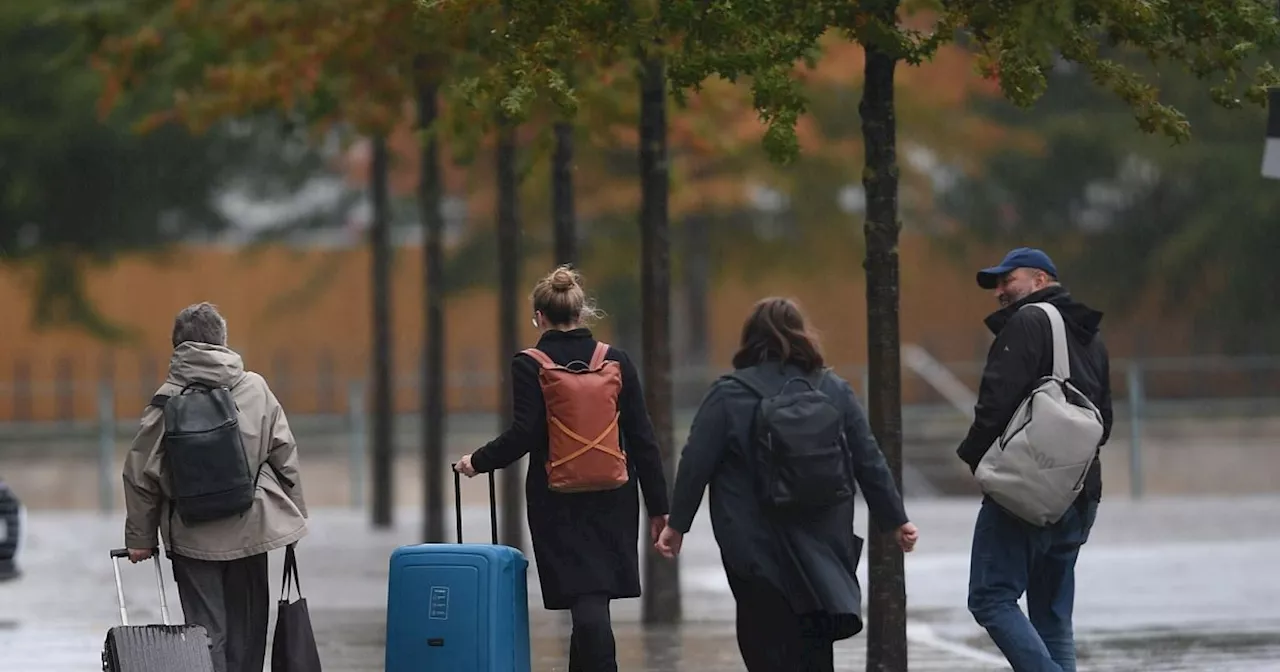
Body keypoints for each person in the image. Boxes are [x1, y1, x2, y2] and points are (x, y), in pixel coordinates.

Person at [655, 297, 919, 672]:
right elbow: (868, 459)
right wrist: (896, 520)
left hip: (754, 548)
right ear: (803, 335)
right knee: (814, 652)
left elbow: (696, 462)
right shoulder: (833, 389)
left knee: (764, 647)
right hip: (823, 547)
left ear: (750, 339)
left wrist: (677, 525)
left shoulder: (728, 394)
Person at [455, 266, 670, 672]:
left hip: (557, 496)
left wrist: (477, 461)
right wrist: (660, 508)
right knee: (593, 596)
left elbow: (525, 434)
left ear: (539, 316)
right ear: (581, 312)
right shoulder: (616, 360)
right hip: (615, 495)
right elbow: (643, 437)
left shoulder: (529, 364)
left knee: (585, 599)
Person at [122, 302, 309, 672]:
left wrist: (140, 538)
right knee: (249, 631)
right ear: (222, 341)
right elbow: (284, 454)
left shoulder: (165, 400)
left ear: (177, 347)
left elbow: (141, 473)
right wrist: (295, 516)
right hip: (252, 528)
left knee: (206, 632)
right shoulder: (255, 388)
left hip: (192, 537)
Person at [958, 247, 1112, 672]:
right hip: (1079, 493)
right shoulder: (1090, 336)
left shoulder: (1028, 322)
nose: (999, 291)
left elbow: (995, 404)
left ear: (1041, 281)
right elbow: (1107, 422)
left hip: (1025, 492)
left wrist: (976, 460)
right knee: (1052, 617)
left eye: (1008, 279)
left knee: (991, 598)